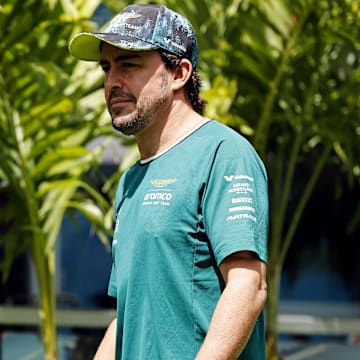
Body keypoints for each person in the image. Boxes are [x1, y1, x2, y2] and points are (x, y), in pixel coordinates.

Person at [69, 4, 269, 360]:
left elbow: (248, 286)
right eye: (106, 67)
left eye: (129, 65)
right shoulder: (131, 181)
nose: (112, 81)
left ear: (179, 73)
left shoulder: (223, 154)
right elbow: (127, 317)